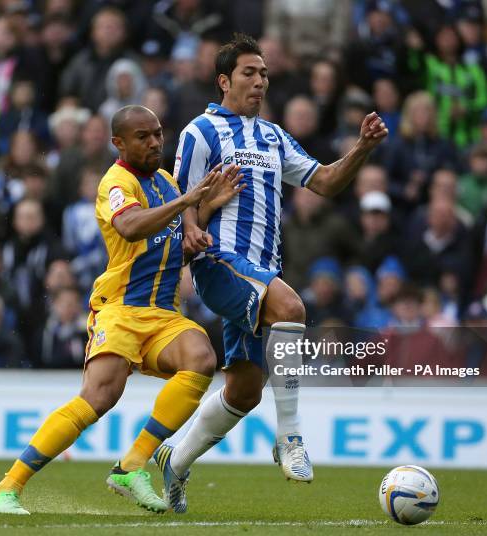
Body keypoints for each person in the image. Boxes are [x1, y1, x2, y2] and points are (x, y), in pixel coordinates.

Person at [159, 34, 388, 511]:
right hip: (219, 262)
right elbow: (180, 195)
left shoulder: (273, 136)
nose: (260, 81)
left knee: (244, 391)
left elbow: (323, 181)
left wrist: (362, 148)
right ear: (224, 80)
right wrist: (192, 229)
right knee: (291, 306)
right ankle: (291, 439)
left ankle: (174, 463)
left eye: (264, 73)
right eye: (249, 72)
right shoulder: (200, 131)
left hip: (262, 269)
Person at [0, 105, 243, 515]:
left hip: (163, 312)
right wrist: (190, 201)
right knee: (98, 399)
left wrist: (205, 211)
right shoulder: (115, 183)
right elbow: (132, 227)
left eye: (158, 133)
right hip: (122, 308)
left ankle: (132, 465)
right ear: (118, 142)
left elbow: (179, 239)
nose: (155, 141)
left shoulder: (168, 183)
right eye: (143, 136)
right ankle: (5, 489)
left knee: (201, 357)